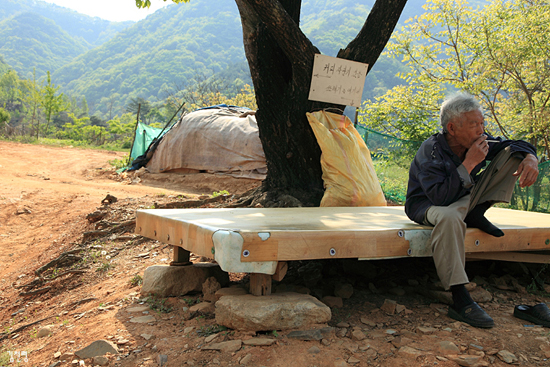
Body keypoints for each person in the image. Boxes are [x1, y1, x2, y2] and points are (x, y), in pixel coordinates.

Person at [405, 92, 539, 328]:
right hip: (429, 205)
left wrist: (530, 157)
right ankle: (459, 296)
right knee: (449, 217)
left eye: (482, 123)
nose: (481, 130)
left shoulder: (479, 141)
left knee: (512, 155)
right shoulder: (431, 151)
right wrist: (469, 163)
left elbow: (513, 144)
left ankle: (476, 212)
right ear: (452, 128)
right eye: (474, 124)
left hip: (464, 198)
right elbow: (440, 198)